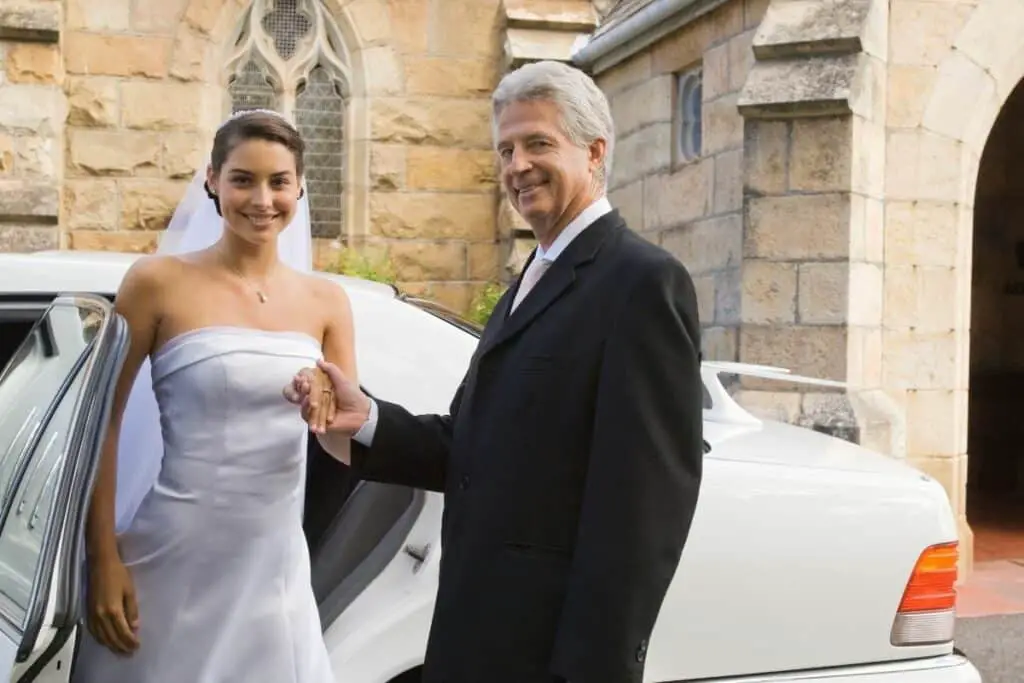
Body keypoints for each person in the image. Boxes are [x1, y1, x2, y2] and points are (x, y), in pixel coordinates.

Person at [286, 60, 704, 683]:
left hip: (548, 657)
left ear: (595, 152)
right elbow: (473, 446)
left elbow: (642, 511)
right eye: (506, 149)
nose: (517, 166)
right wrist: (367, 419)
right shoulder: (531, 281)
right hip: (474, 636)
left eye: (538, 143)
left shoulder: (641, 282)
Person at [73, 109, 353, 683]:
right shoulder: (155, 283)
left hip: (272, 575)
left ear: (301, 187)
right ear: (212, 181)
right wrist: (101, 558)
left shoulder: (328, 301)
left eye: (279, 181)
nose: (262, 199)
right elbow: (100, 421)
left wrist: (324, 396)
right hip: (171, 559)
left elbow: (347, 442)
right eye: (243, 179)